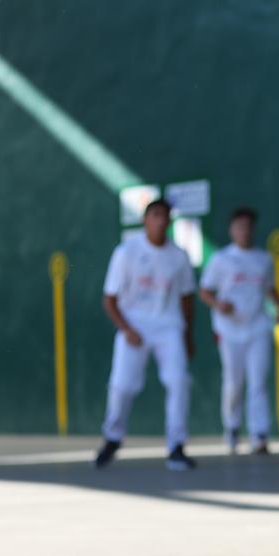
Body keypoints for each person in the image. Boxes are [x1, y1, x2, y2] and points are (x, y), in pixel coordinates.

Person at [95, 199, 198, 471]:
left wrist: (187, 336)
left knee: (178, 381)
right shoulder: (126, 252)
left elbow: (187, 299)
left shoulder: (179, 256)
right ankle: (112, 437)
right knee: (122, 386)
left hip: (169, 326)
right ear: (145, 220)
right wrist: (127, 329)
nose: (160, 221)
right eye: (155, 215)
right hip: (133, 325)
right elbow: (109, 300)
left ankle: (176, 446)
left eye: (165, 216)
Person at [199, 207, 279, 455]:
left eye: (248, 227)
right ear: (232, 230)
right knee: (233, 382)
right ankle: (232, 427)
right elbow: (204, 290)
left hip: (258, 326)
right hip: (229, 330)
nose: (244, 231)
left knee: (258, 382)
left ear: (253, 229)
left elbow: (269, 288)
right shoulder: (221, 259)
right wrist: (218, 305)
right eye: (239, 227)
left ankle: (259, 435)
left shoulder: (263, 259)